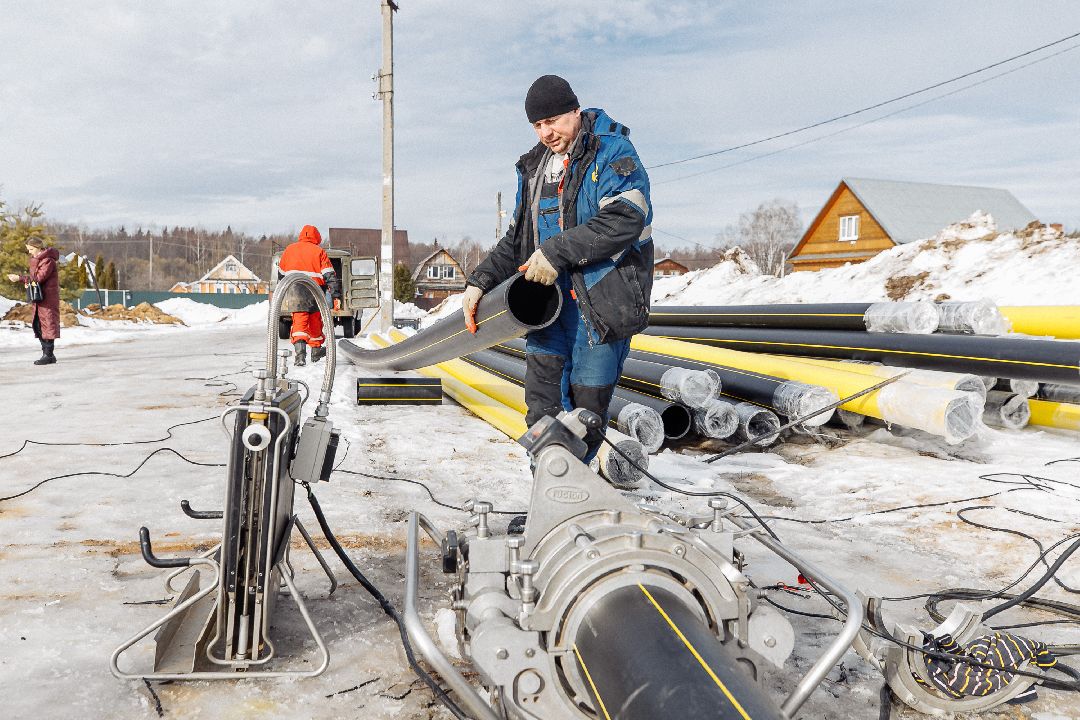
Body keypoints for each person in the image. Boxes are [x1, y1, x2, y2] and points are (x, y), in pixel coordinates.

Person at [463, 75, 654, 460]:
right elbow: (518, 240)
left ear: (575, 111)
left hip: (599, 310)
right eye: (538, 125)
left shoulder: (611, 150)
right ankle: (548, 497)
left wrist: (555, 253)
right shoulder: (534, 168)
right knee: (541, 410)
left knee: (586, 412)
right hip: (548, 315)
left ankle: (573, 498)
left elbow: (624, 217)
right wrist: (479, 281)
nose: (546, 132)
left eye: (553, 120)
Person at [277, 225, 341, 365]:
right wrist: (336, 296)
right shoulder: (319, 251)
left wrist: (282, 292)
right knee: (315, 322)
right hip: (315, 291)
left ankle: (301, 356)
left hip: (294, 292)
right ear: (316, 237)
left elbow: (281, 275)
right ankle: (316, 351)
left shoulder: (289, 250)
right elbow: (330, 275)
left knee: (299, 322)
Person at [7, 237, 61, 365]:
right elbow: (34, 279)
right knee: (39, 325)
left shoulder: (47, 261)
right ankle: (47, 354)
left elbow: (38, 278)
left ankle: (48, 355)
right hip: (39, 297)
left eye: (31, 249)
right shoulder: (38, 260)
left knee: (47, 324)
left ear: (38, 247)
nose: (30, 252)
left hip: (47, 298)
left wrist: (20, 278)